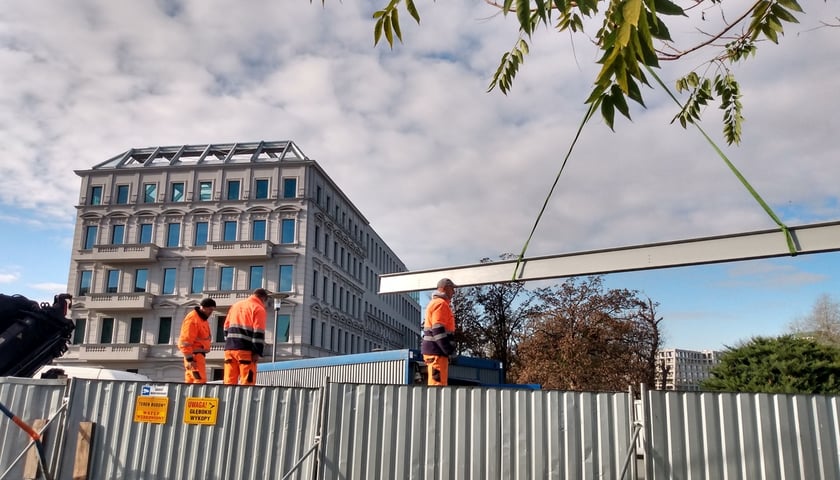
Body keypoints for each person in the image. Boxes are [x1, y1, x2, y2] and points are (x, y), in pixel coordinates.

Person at [223, 288, 269, 385]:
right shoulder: (258, 308)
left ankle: (227, 399)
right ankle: (244, 400)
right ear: (263, 298)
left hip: (230, 349)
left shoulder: (235, 306)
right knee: (247, 381)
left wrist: (229, 342)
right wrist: (256, 351)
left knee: (229, 381)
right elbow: (258, 332)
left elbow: (226, 327)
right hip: (245, 350)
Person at [421, 278, 457, 386]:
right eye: (452, 289)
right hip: (437, 353)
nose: (454, 292)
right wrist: (448, 350)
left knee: (438, 385)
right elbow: (438, 329)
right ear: (444, 288)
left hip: (435, 351)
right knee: (438, 387)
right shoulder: (440, 304)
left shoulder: (436, 303)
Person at [178, 298, 216, 384]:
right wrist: (190, 359)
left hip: (196, 356)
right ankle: (195, 397)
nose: (211, 312)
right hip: (194, 356)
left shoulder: (201, 319)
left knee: (192, 381)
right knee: (199, 381)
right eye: (210, 309)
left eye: (212, 310)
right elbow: (185, 340)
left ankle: (189, 397)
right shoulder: (193, 319)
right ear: (203, 307)